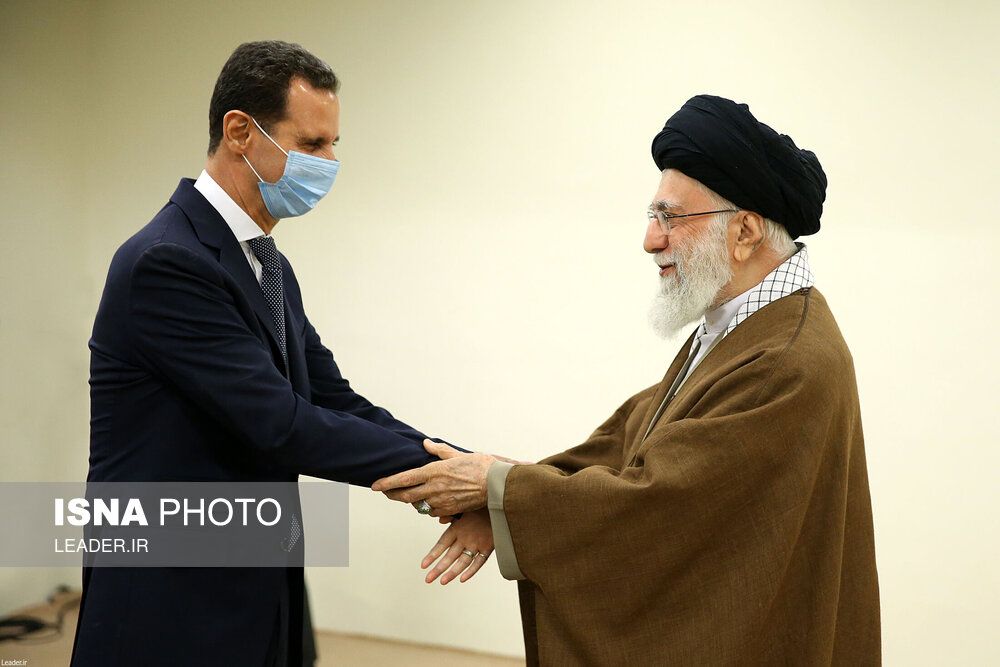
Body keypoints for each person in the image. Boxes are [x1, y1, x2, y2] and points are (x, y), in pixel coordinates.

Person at [373, 95, 881, 665]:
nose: (650, 239)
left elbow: (661, 505)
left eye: (670, 218)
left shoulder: (785, 358)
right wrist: (501, 491)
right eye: (652, 216)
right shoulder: (746, 324)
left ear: (744, 232)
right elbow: (634, 439)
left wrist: (500, 491)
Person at [73, 40, 475, 667]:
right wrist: (466, 483)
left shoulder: (268, 264)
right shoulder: (167, 261)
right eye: (312, 144)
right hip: (171, 598)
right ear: (239, 131)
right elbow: (281, 424)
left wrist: (468, 470)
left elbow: (334, 402)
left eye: (333, 144)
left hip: (257, 580)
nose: (330, 163)